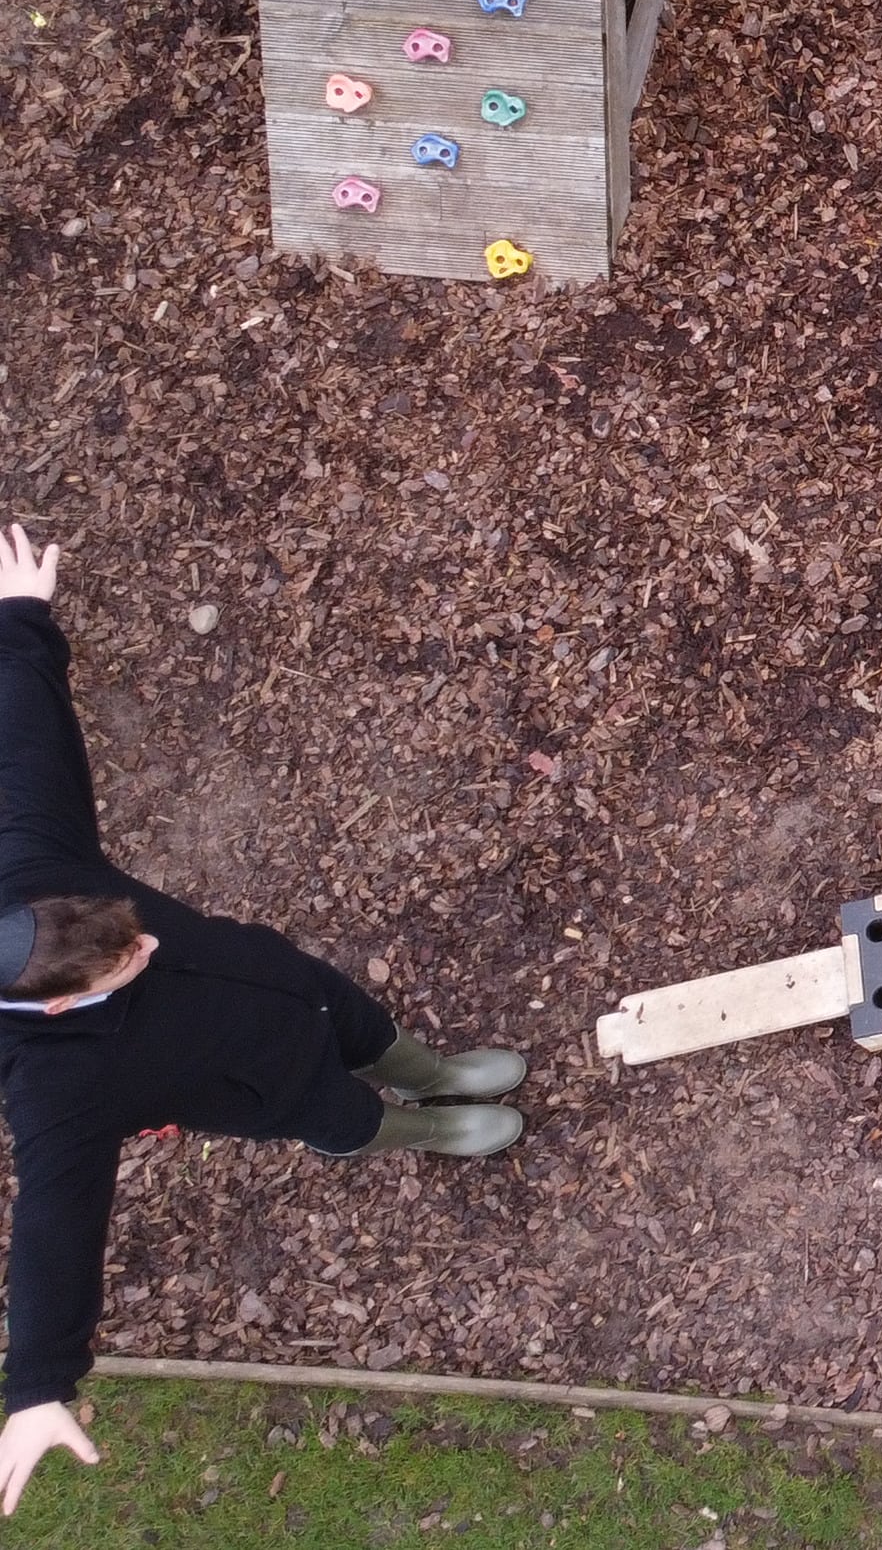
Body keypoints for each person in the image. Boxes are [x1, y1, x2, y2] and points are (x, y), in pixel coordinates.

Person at [0, 525, 527, 1515]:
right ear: (62, 1001)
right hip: (270, 1086)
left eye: (134, 930)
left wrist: (21, 619)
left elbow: (26, 744)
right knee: (348, 1119)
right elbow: (52, 1229)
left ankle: (431, 1071)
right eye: (128, 959)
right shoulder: (58, 1086)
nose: (150, 943)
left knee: (369, 1027)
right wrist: (36, 1386)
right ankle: (424, 1129)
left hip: (292, 984)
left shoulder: (33, 872)